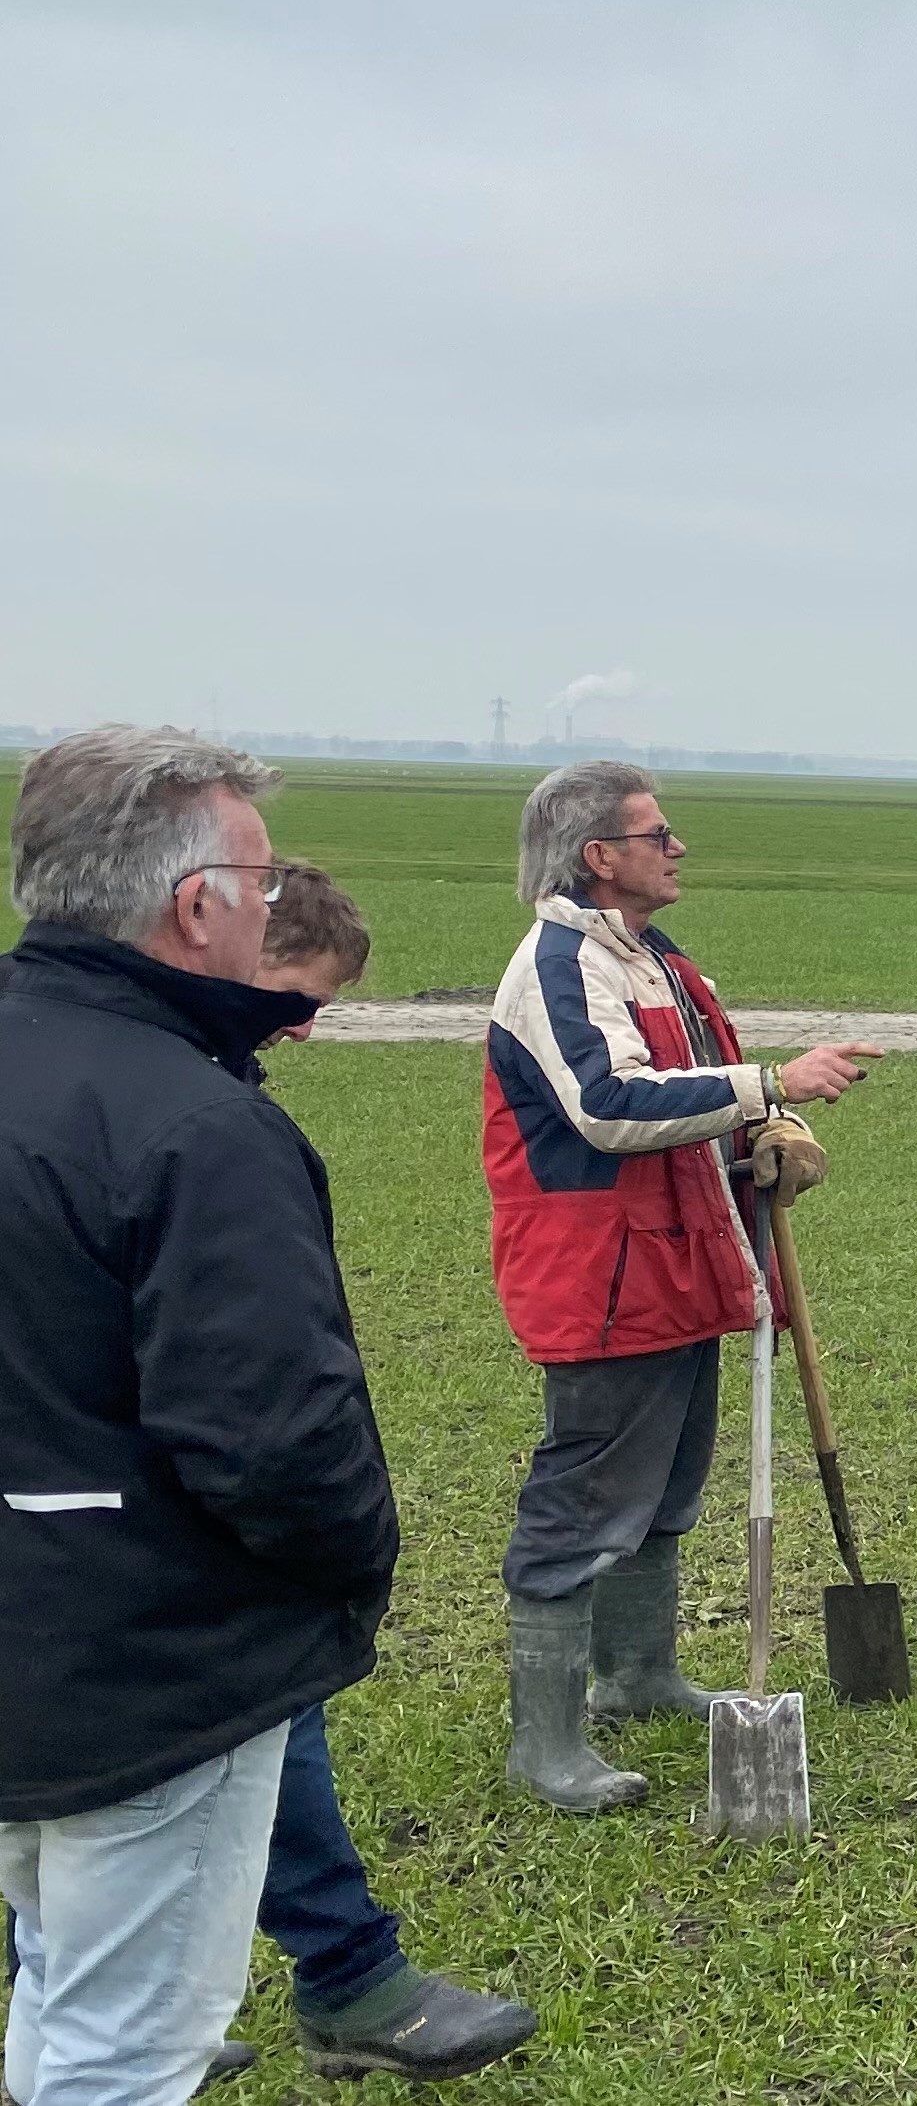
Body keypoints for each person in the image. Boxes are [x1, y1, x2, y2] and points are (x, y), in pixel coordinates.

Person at [0, 727, 405, 2103]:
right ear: (196, 906)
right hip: (148, 1670)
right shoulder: (198, 1123)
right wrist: (350, 1575)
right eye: (258, 875)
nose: (268, 900)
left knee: (54, 1978)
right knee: (126, 2053)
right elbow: (276, 1442)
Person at [483, 761, 875, 1814]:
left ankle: (639, 1677)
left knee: (665, 1490)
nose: (678, 848)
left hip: (686, 1258)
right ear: (598, 856)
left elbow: (702, 1096)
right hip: (601, 1275)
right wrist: (770, 1084)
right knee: (587, 1499)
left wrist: (768, 1134)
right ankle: (545, 1742)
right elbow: (607, 1105)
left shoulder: (660, 963)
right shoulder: (560, 965)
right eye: (657, 835)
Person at [228, 866, 539, 2081]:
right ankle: (348, 1976)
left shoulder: (207, 1087)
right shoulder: (172, 1108)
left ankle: (87, 2004)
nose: (305, 1027)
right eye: (293, 997)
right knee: (255, 1719)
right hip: (151, 1511)